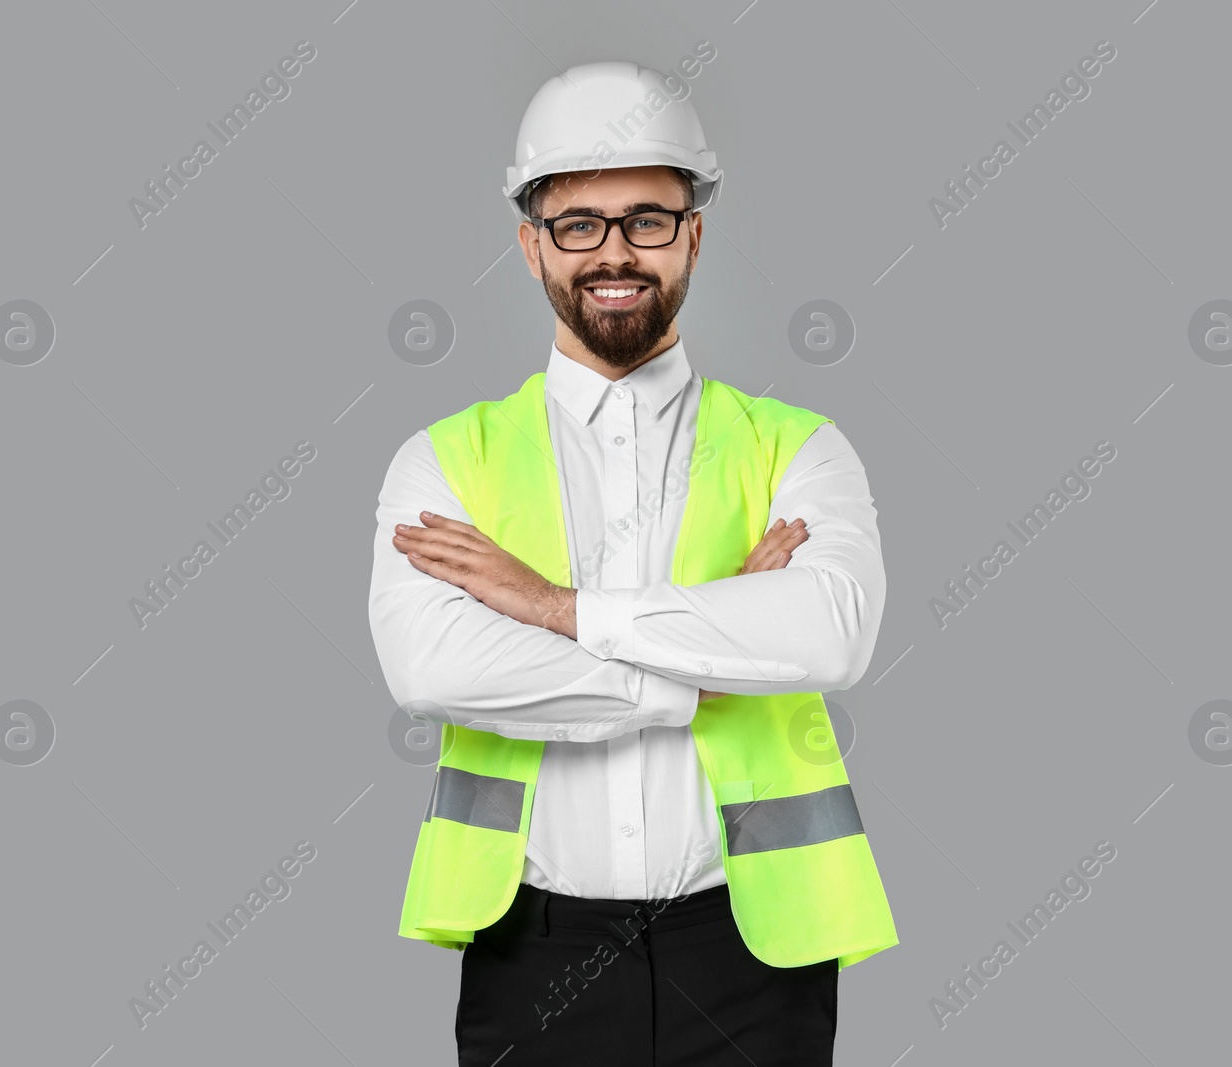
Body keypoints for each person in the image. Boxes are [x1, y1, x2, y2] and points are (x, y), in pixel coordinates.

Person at [369, 60, 898, 1066]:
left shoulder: (800, 445)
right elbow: (432, 668)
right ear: (532, 246)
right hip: (531, 944)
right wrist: (708, 660)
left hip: (754, 948)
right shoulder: (443, 461)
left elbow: (830, 633)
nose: (614, 252)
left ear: (692, 233)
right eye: (580, 224)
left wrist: (551, 606)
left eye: (647, 219)